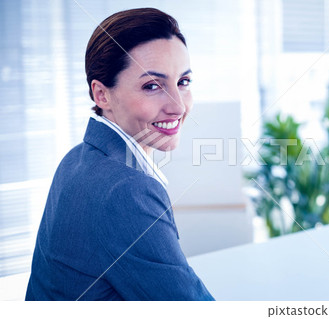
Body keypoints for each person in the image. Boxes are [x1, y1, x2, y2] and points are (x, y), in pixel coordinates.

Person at [25, 8, 214, 301]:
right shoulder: (127, 190)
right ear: (102, 95)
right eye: (152, 86)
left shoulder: (77, 158)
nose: (178, 107)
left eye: (183, 82)